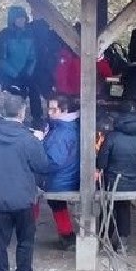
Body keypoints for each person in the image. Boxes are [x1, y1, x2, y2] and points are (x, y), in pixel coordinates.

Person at [0, 93, 50, 271]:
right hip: (23, 199)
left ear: (3, 112)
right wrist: (39, 142)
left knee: (0, 243)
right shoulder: (28, 139)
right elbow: (43, 166)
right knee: (25, 242)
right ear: (22, 112)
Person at [96, 100, 136, 254]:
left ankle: (104, 238)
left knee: (108, 205)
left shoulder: (112, 138)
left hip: (113, 183)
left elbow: (101, 163)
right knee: (123, 205)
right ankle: (123, 240)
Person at [42, 95, 80, 250]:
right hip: (71, 176)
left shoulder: (61, 133)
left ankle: (26, 230)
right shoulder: (70, 126)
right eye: (49, 109)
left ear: (64, 110)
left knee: (29, 186)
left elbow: (53, 161)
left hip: (59, 180)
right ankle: (67, 235)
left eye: (54, 109)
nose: (49, 112)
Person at [0, 6, 39, 125]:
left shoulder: (30, 34)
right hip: (9, 75)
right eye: (18, 18)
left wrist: (27, 72)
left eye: (23, 17)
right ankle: (9, 123)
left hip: (26, 73)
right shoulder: (2, 36)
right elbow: (1, 59)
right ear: (12, 19)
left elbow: (32, 56)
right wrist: (15, 74)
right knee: (12, 99)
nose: (21, 20)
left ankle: (37, 121)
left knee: (34, 94)